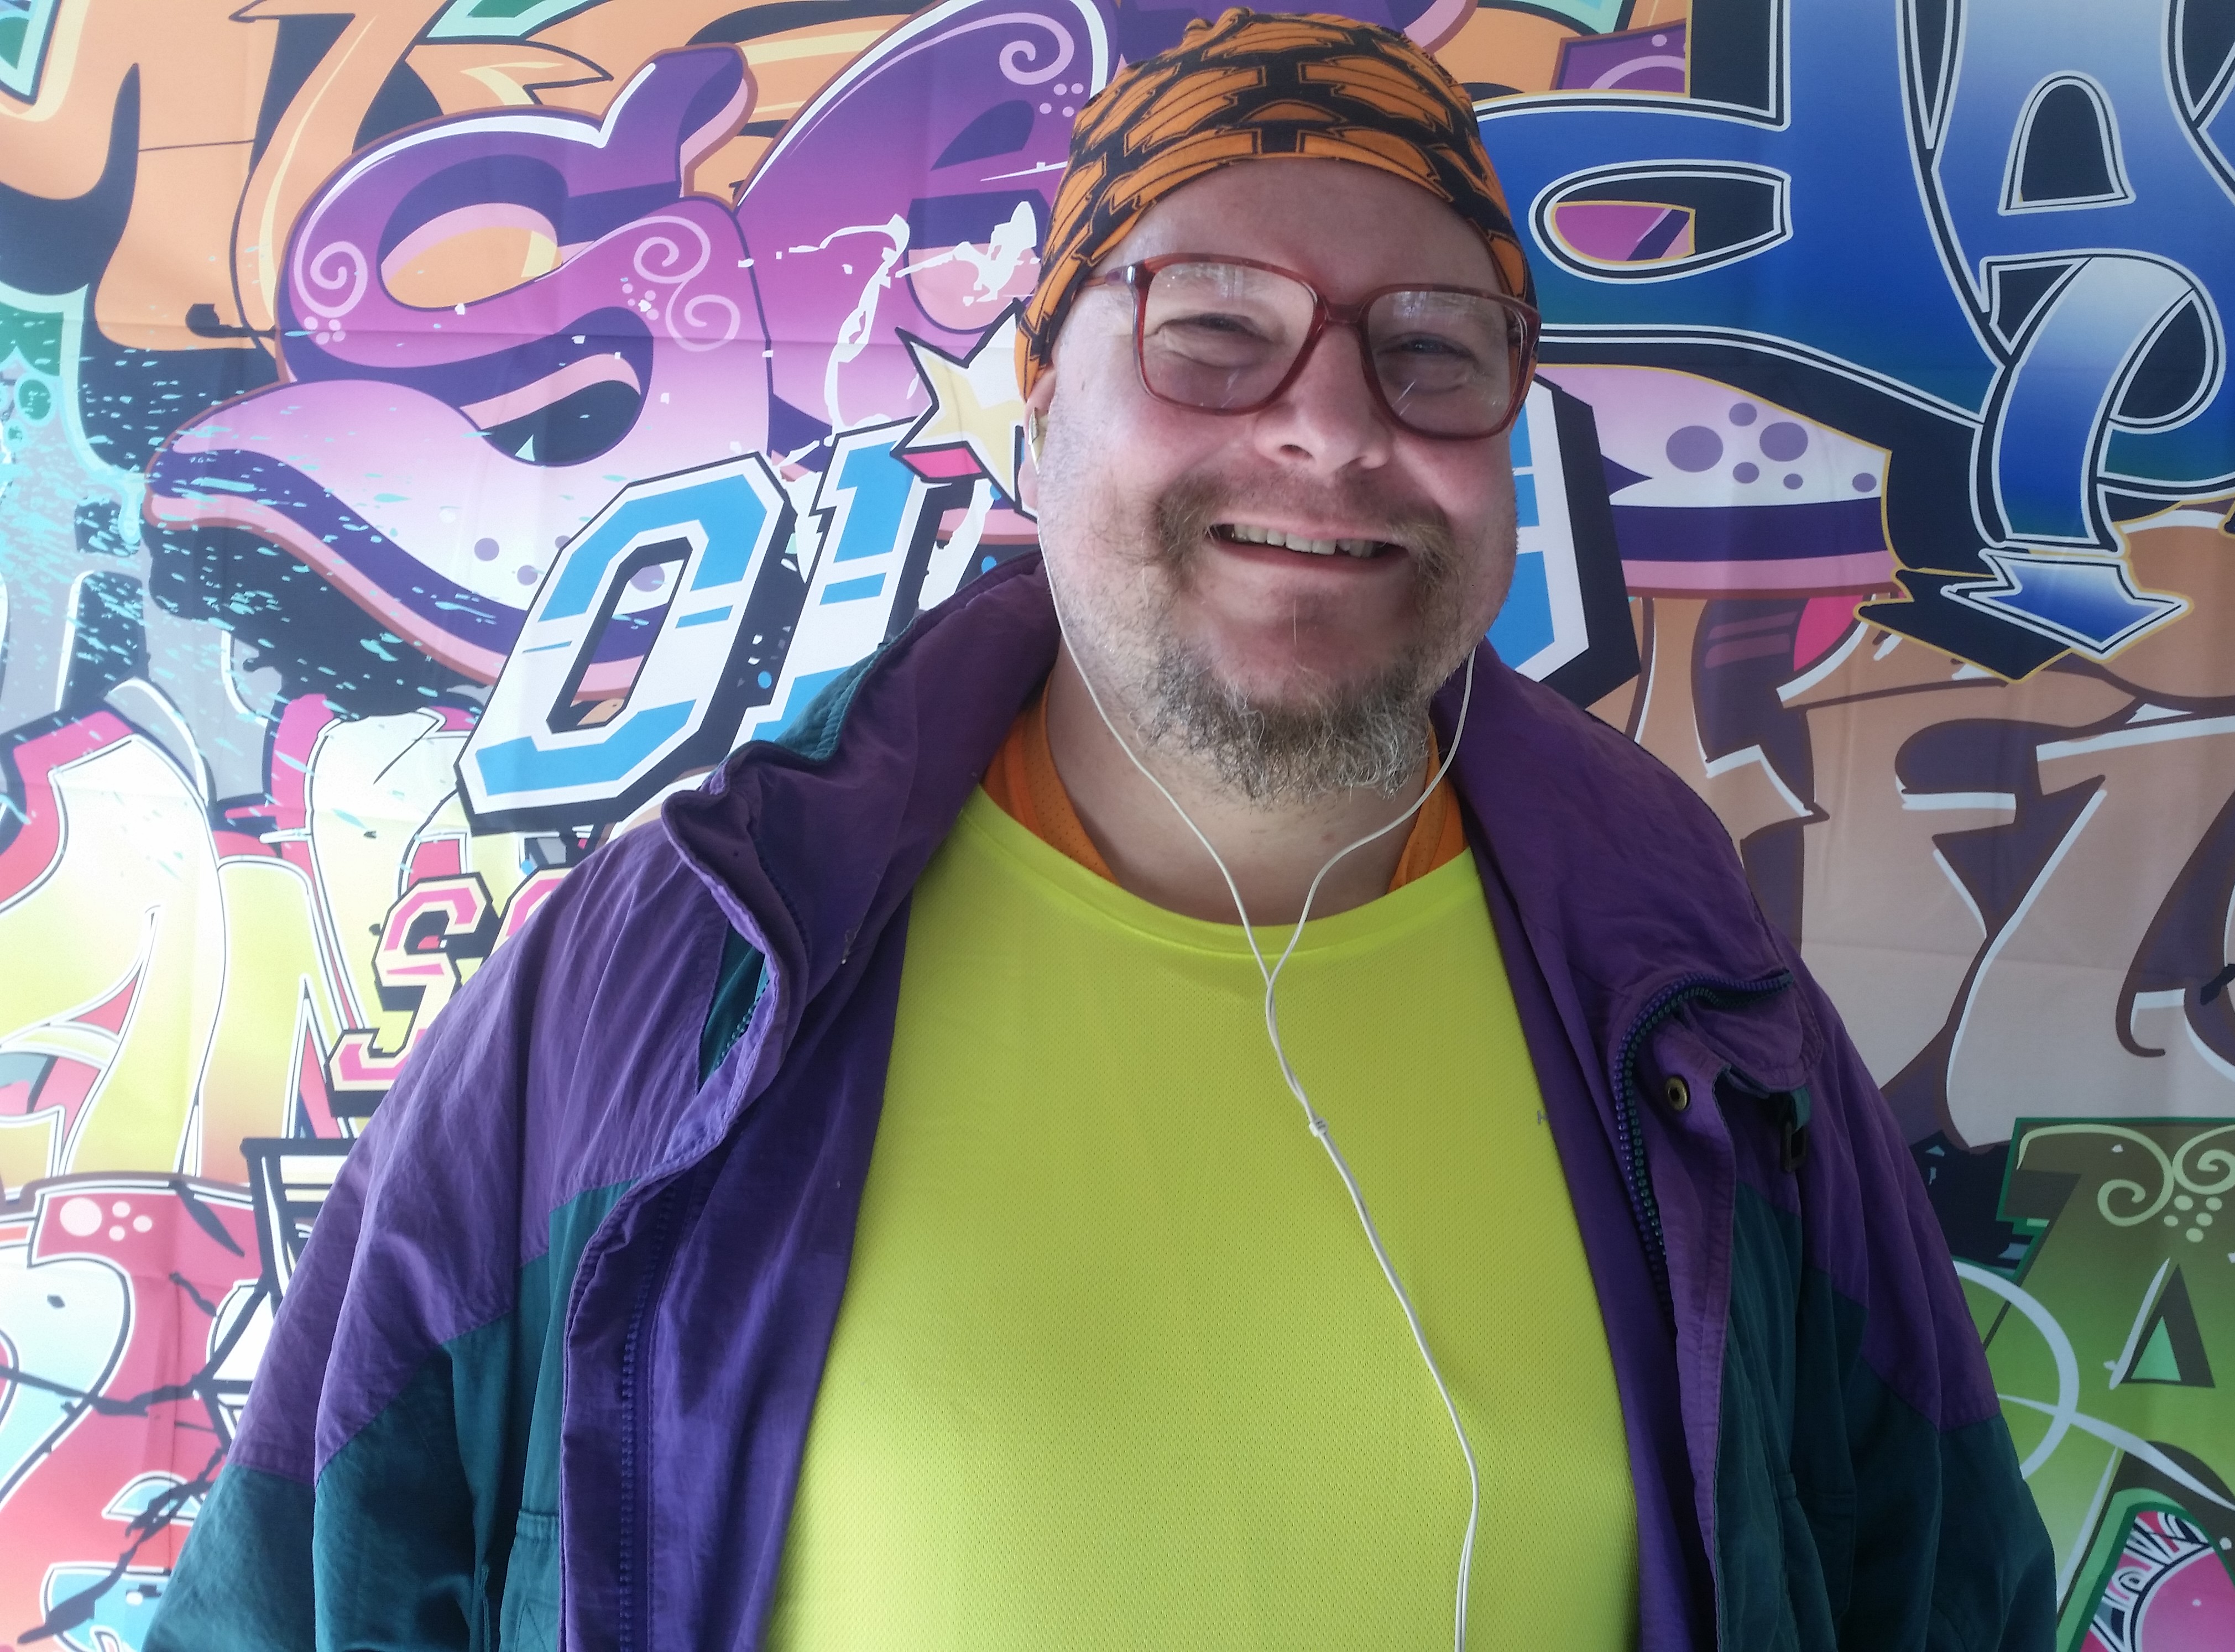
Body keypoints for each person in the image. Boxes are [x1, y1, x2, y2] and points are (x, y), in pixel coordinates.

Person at [150, 12, 2054, 1649]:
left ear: (1507, 437)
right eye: (1214, 329)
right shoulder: (665, 974)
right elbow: (308, 1583)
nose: (1332, 429)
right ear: (1039, 393)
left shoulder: (1699, 1003)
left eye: (1433, 350)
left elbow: (1939, 1587)